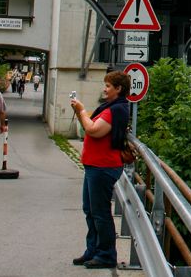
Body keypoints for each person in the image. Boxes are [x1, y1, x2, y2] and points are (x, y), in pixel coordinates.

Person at [70, 71, 131, 269]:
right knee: (90, 209)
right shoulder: (112, 107)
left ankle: (105, 255)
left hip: (103, 165)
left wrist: (81, 111)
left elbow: (94, 130)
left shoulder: (116, 109)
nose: (104, 89)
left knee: (100, 212)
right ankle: (93, 250)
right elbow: (91, 126)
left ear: (118, 89)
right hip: (95, 165)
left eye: (108, 86)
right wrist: (82, 114)